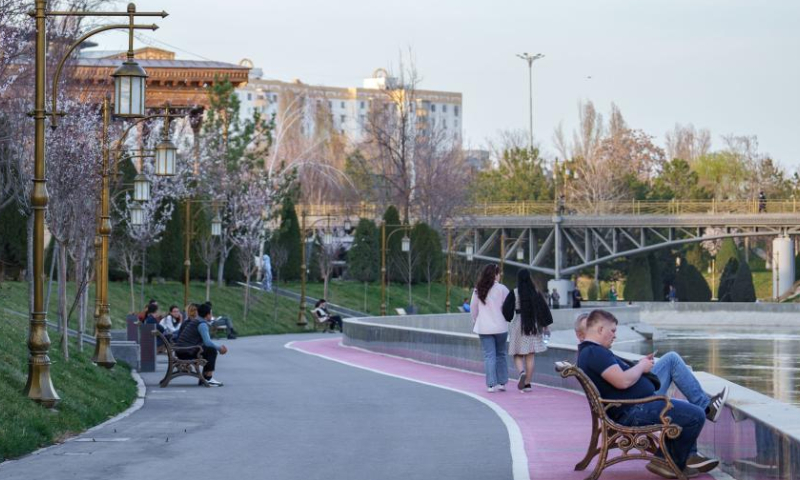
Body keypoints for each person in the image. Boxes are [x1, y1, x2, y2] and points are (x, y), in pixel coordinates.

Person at [576, 310, 728, 478]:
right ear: (600, 329)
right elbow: (622, 381)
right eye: (612, 331)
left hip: (635, 403)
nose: (614, 336)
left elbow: (618, 379)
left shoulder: (591, 352)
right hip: (633, 410)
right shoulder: (594, 353)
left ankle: (678, 456)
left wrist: (639, 365)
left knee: (672, 361)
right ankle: (666, 460)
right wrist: (641, 367)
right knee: (695, 415)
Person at [504, 269, 552, 392]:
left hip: (518, 325)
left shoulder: (514, 293)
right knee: (530, 356)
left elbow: (506, 311)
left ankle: (521, 372)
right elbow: (543, 309)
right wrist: (545, 324)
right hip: (532, 325)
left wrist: (508, 318)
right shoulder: (535, 292)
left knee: (517, 354)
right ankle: (527, 384)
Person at [470, 264, 510, 393]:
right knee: (501, 354)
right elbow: (509, 307)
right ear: (496, 274)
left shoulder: (478, 290)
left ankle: (491, 384)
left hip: (484, 327)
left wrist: (476, 320)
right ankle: (502, 383)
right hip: (501, 327)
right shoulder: (503, 289)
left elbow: (473, 308)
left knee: (489, 355)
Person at [175, 302, 228, 387]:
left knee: (208, 349)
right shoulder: (202, 324)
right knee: (211, 350)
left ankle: (205, 378)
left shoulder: (197, 321)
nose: (212, 315)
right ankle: (208, 378)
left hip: (181, 350)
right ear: (207, 315)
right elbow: (207, 342)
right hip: (185, 352)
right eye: (211, 313)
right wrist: (219, 348)